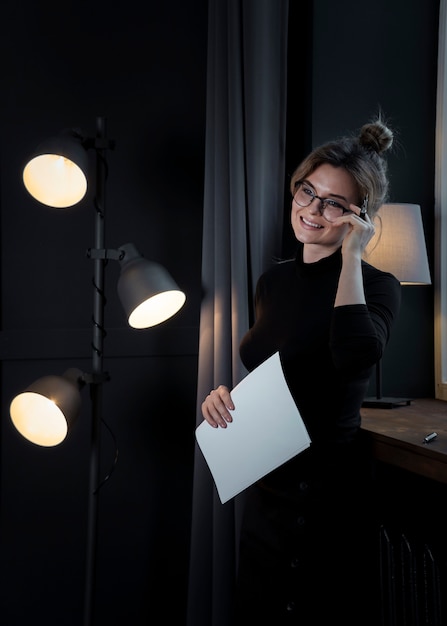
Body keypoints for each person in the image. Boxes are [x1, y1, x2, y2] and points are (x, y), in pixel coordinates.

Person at [201, 115, 402, 625]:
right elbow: (283, 366)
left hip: (329, 496)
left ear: (360, 216)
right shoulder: (272, 282)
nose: (313, 209)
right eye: (307, 191)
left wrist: (353, 256)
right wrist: (226, 398)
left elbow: (354, 354)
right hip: (269, 490)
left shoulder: (378, 285)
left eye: (334, 203)